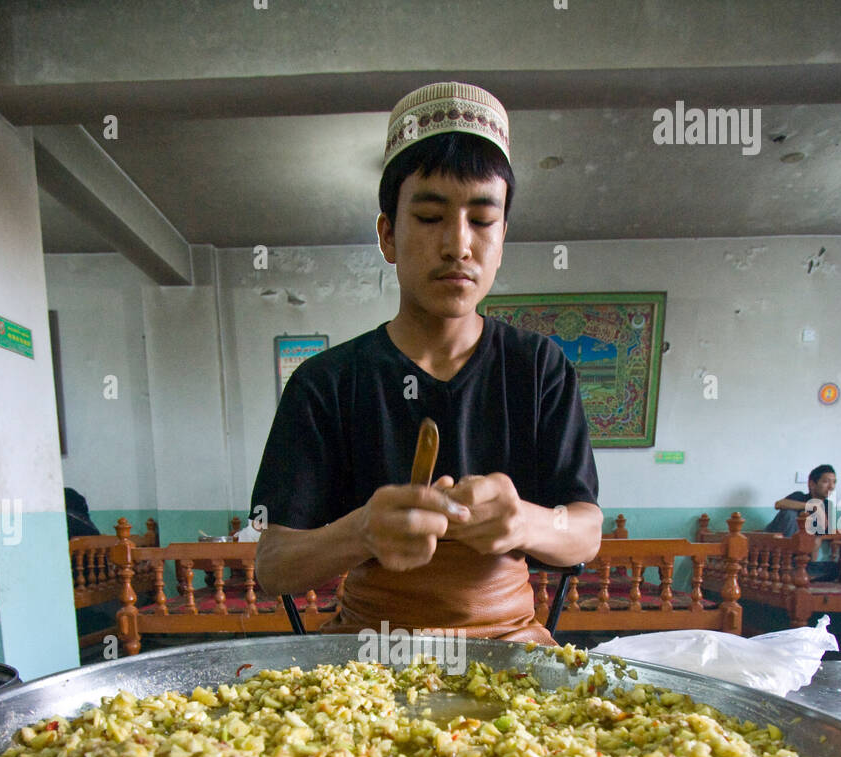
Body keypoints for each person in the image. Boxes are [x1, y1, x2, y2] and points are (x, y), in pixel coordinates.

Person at [249, 81, 602, 644]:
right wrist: (362, 531)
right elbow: (273, 566)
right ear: (388, 234)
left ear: (503, 236)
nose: (458, 245)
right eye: (431, 216)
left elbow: (584, 532)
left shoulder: (539, 368)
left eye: (482, 220)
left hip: (508, 642)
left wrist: (523, 521)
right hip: (369, 648)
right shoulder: (327, 382)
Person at [765, 465, 839, 580]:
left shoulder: (827, 506)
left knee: (835, 568)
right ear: (812, 484)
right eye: (826, 482)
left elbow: (817, 539)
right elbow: (778, 504)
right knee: (789, 514)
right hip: (776, 552)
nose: (831, 486)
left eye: (834, 482)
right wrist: (812, 507)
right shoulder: (799, 496)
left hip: (797, 558)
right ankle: (785, 567)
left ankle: (797, 572)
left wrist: (808, 564)